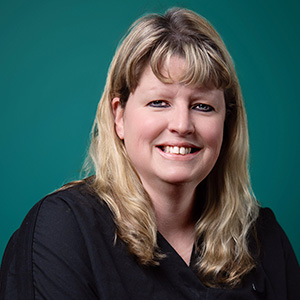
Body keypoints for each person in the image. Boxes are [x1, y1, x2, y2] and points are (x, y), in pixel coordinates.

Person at [0, 7, 299, 300]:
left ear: (227, 123)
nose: (182, 125)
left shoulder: (264, 239)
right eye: (159, 102)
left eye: (203, 106)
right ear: (119, 116)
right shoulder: (62, 231)